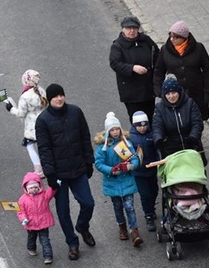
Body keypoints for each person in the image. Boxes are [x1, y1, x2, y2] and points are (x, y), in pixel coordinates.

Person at [35, 84, 95, 260]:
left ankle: (82, 226)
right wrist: (50, 173)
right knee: (63, 211)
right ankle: (73, 243)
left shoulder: (76, 112)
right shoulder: (43, 120)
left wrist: (89, 161)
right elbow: (44, 149)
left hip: (78, 168)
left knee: (88, 203)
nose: (59, 99)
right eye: (55, 96)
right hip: (59, 175)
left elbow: (85, 137)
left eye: (61, 95)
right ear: (49, 99)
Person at [94, 112, 144, 247]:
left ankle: (134, 231)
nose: (115, 132)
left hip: (126, 179)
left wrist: (131, 166)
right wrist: (110, 170)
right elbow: (98, 163)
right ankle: (122, 227)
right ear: (108, 131)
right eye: (112, 130)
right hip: (112, 181)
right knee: (117, 206)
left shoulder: (125, 143)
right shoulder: (103, 147)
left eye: (117, 129)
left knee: (129, 206)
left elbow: (134, 158)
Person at [154, 20, 209, 121]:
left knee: (197, 122)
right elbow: (158, 71)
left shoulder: (198, 48)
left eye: (176, 37)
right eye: (170, 36)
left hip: (197, 93)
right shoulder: (165, 50)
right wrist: (160, 92)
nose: (172, 39)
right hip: (176, 95)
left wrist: (207, 92)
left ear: (184, 37)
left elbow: (208, 70)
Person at [109, 15, 159, 123]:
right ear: (123, 29)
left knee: (150, 117)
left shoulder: (146, 40)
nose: (132, 31)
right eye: (128, 28)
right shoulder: (117, 46)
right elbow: (115, 63)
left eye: (134, 28)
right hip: (131, 92)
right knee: (137, 120)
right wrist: (132, 68)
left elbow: (156, 54)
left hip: (148, 88)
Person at [5, 69, 48, 177]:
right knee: (44, 146)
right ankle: (48, 166)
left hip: (31, 126)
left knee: (30, 146)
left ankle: (38, 169)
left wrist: (11, 109)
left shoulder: (25, 96)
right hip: (44, 123)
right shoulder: (42, 91)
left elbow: (21, 113)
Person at [152, 75, 204, 161]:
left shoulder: (190, 103)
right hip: (171, 151)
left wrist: (194, 136)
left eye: (173, 92)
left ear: (179, 92)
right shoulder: (159, 108)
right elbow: (157, 126)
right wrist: (158, 139)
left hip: (191, 146)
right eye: (168, 94)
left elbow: (197, 122)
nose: (171, 96)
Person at [128, 111, 160, 232]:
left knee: (154, 191)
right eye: (139, 126)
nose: (142, 128)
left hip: (151, 169)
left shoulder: (152, 134)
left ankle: (151, 208)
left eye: (144, 125)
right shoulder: (130, 138)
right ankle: (148, 215)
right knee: (145, 194)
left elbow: (157, 150)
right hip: (139, 172)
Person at [17, 172, 56, 264]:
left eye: (35, 187)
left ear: (39, 187)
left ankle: (48, 256)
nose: (33, 189)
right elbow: (20, 211)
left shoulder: (44, 195)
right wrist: (23, 219)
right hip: (31, 223)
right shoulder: (22, 199)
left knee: (45, 240)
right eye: (31, 188)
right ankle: (31, 248)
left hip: (43, 223)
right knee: (31, 237)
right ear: (26, 188)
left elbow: (51, 192)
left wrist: (54, 185)